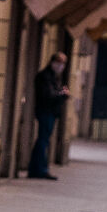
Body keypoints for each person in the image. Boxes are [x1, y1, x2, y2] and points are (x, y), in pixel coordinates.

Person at [28, 51, 68, 179]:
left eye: (63, 64)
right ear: (53, 62)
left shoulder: (53, 77)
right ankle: (39, 169)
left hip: (50, 112)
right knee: (43, 141)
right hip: (46, 112)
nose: (61, 66)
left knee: (43, 140)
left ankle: (36, 168)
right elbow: (48, 96)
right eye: (59, 63)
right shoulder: (45, 77)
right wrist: (62, 95)